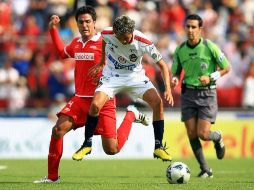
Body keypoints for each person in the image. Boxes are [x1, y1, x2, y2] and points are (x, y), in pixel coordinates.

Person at [33, 6, 149, 184]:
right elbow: (61, 53)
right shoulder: (76, 43)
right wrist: (52, 30)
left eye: (88, 21)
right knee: (57, 130)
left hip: (103, 100)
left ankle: (131, 114)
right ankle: (52, 177)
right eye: (81, 22)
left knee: (112, 149)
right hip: (80, 99)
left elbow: (125, 57)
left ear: (94, 23)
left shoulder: (106, 42)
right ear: (77, 24)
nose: (84, 25)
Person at [72, 15, 174, 162]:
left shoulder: (143, 41)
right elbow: (104, 42)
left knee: (157, 103)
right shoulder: (108, 34)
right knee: (95, 105)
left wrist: (168, 89)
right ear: (115, 34)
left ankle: (158, 147)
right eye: (121, 38)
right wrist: (102, 61)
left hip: (135, 77)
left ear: (132, 31)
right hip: (112, 76)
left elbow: (163, 65)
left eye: (127, 38)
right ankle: (86, 144)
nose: (125, 41)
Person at [171, 14, 230, 178]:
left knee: (203, 134)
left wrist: (211, 77)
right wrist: (174, 79)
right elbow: (176, 71)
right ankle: (206, 169)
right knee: (191, 133)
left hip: (207, 94)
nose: (190, 30)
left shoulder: (210, 46)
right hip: (188, 93)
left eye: (194, 27)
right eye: (188, 26)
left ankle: (217, 137)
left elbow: (226, 68)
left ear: (200, 29)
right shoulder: (180, 49)